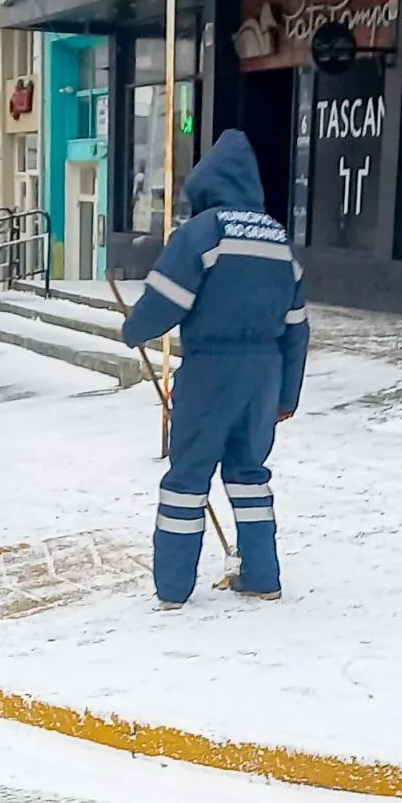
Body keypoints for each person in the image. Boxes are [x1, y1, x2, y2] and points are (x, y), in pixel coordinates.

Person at [120, 129, 310, 609]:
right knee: (249, 472)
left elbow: (169, 297)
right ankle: (263, 575)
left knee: (187, 477)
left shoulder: (205, 232)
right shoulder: (280, 241)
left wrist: (135, 329)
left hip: (211, 368)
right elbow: (297, 327)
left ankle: (173, 587)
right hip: (264, 372)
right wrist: (286, 396)